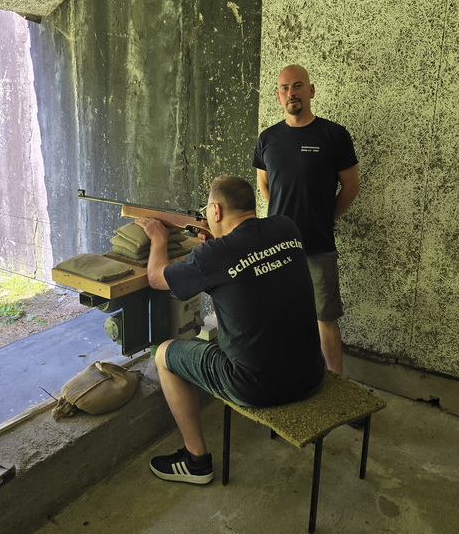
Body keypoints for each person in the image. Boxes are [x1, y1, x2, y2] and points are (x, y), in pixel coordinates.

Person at [136, 175, 325, 485]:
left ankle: (196, 461)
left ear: (216, 211)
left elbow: (157, 278)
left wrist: (158, 238)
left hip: (255, 387)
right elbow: (251, 265)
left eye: (207, 210)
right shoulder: (286, 227)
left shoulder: (213, 255)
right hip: (310, 373)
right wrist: (216, 245)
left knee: (163, 354)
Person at [252, 64, 360, 375]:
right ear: (278, 96)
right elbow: (263, 184)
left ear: (310, 91)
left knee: (325, 318)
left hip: (318, 245)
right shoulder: (267, 138)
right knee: (281, 315)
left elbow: (351, 187)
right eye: (285, 88)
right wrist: (281, 220)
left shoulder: (334, 135)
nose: (291, 93)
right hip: (277, 248)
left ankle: (336, 384)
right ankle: (289, 377)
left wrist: (326, 217)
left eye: (298, 86)